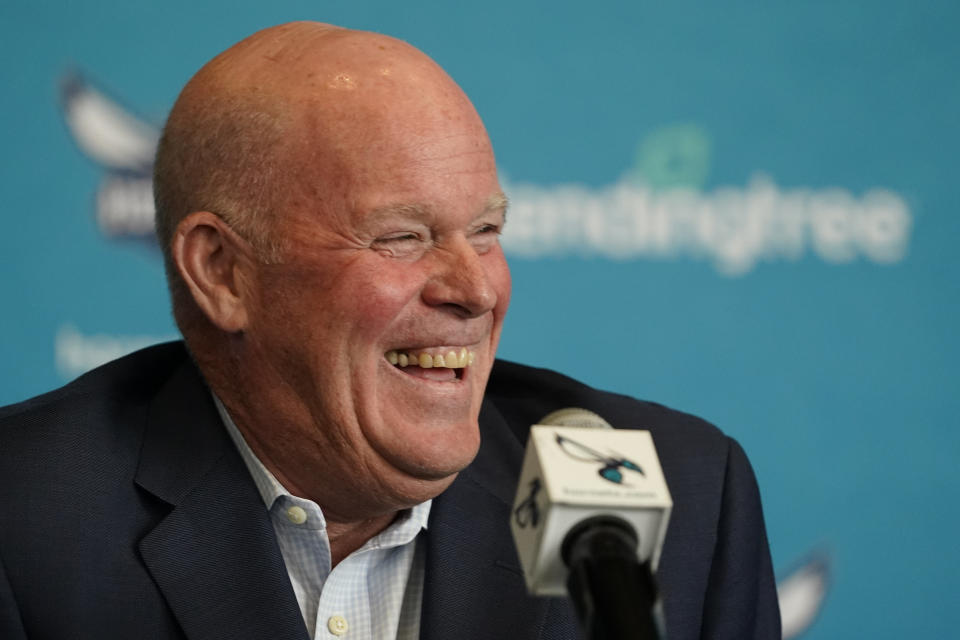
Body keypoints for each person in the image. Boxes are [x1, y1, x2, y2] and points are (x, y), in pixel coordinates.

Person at [0, 21, 780, 640]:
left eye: (485, 231)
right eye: (402, 236)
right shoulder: (26, 522)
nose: (476, 291)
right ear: (223, 272)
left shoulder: (679, 498)